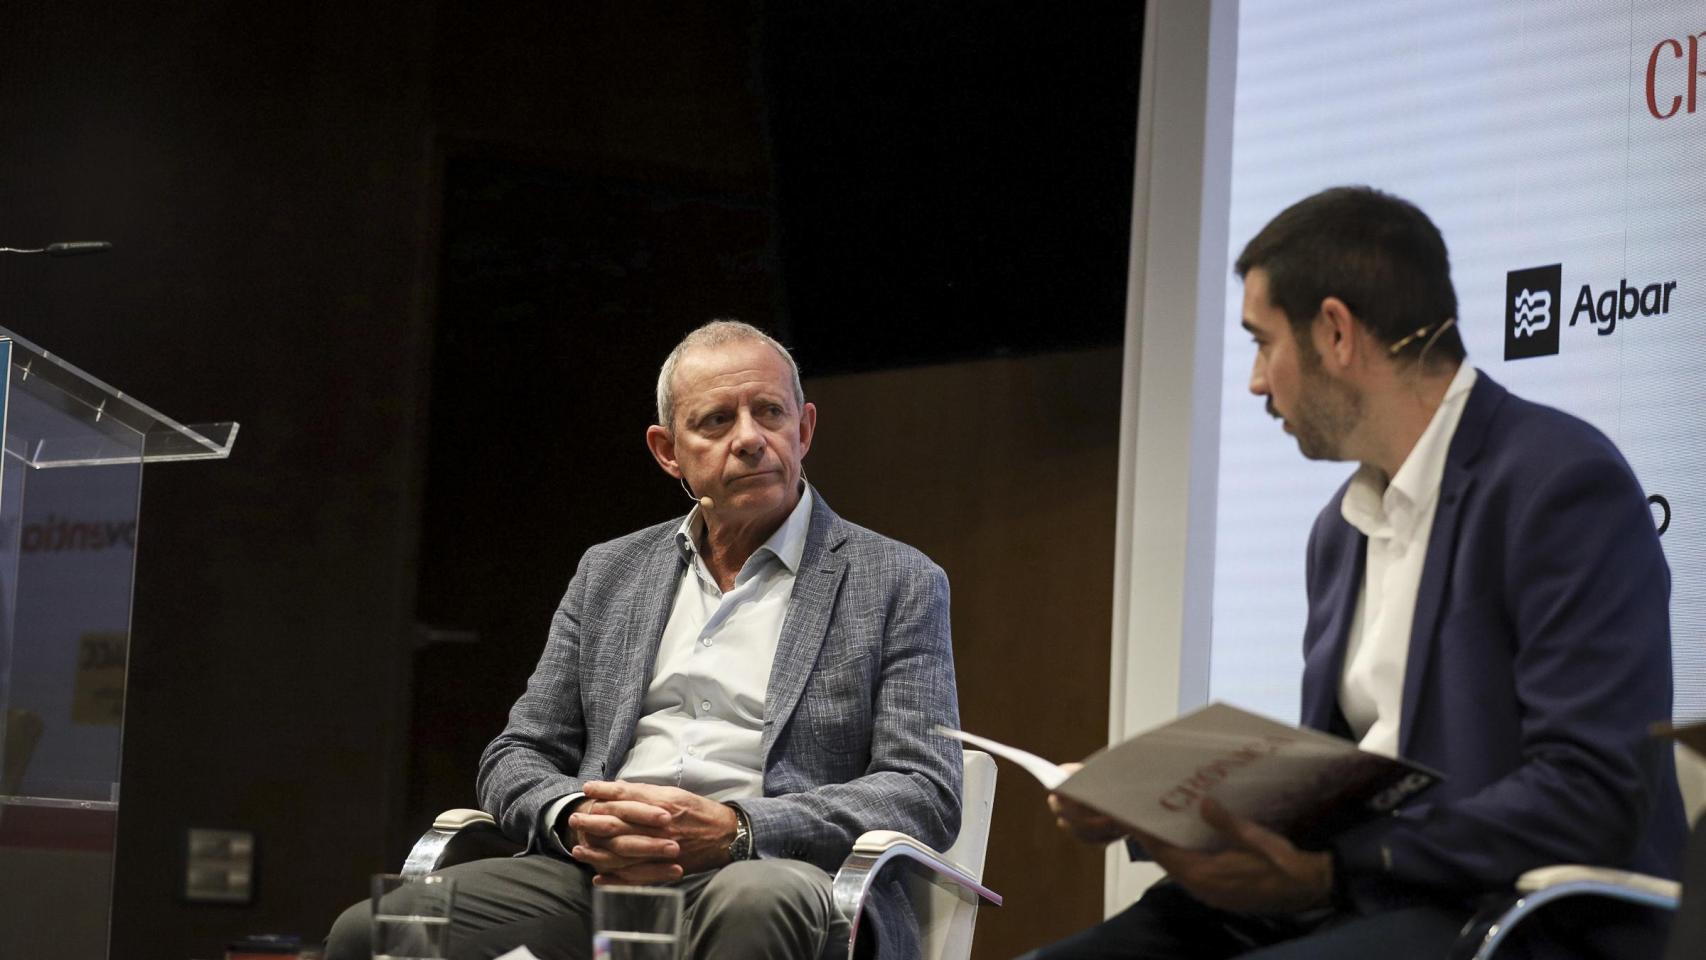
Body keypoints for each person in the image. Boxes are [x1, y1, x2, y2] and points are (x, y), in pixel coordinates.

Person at [1023, 187, 1686, 959]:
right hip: (1363, 898)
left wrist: (1342, 866)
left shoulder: (1559, 484)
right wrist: (1152, 811)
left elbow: (1592, 791)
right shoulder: (1337, 534)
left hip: (1515, 915)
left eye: (1261, 342)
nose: (1256, 382)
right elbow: (1332, 790)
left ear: (1335, 332)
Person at [326, 320, 962, 960]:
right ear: (668, 451)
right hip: (597, 878)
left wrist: (738, 829)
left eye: (769, 412)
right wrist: (576, 816)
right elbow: (517, 752)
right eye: (715, 421)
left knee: (753, 904)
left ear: (805, 430)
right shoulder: (610, 571)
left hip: (774, 869)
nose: (749, 439)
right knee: (371, 931)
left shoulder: (896, 580)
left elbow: (923, 789)